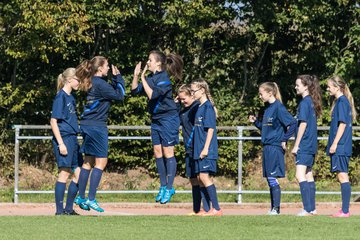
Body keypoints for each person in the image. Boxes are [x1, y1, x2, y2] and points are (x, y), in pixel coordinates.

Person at [74, 56, 126, 212]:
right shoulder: (101, 84)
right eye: (107, 66)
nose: (109, 68)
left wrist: (114, 80)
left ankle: (81, 196)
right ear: (100, 68)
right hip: (97, 126)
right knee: (101, 162)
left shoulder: (93, 82)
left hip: (86, 124)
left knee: (88, 162)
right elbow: (120, 95)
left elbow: (112, 92)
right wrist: (118, 78)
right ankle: (91, 199)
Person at [131, 50, 183, 204]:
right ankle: (162, 186)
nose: (148, 62)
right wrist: (136, 75)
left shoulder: (164, 79)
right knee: (157, 151)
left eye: (150, 60)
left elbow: (152, 95)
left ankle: (169, 187)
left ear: (158, 63)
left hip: (169, 118)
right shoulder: (151, 78)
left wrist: (142, 78)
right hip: (156, 119)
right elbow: (134, 91)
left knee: (168, 152)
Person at [249, 82, 296, 215]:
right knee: (270, 177)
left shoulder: (278, 108)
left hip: (274, 147)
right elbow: (267, 129)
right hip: (267, 147)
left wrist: (284, 139)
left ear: (270, 93)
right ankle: (273, 209)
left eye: (261, 93)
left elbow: (292, 123)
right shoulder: (268, 109)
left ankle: (276, 209)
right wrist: (256, 123)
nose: (260, 96)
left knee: (272, 177)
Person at [50, 68, 84, 215]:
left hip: (73, 138)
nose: (79, 82)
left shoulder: (71, 97)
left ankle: (69, 209)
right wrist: (61, 143)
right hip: (64, 138)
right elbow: (53, 121)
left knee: (80, 174)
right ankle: (59, 211)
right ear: (69, 79)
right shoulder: (61, 97)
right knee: (64, 173)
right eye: (77, 79)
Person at [190, 79, 222, 216]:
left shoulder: (208, 107)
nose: (192, 93)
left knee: (204, 177)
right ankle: (207, 209)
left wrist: (206, 148)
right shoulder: (199, 107)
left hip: (206, 149)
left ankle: (217, 209)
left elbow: (210, 130)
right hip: (198, 148)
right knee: (199, 178)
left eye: (193, 91)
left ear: (202, 90)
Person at [177, 84, 211, 215]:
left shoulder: (197, 108)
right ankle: (196, 209)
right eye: (180, 99)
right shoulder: (182, 110)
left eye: (184, 98)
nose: (182, 101)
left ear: (192, 95)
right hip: (188, 148)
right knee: (192, 179)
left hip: (197, 147)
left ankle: (208, 208)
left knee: (202, 177)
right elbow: (175, 120)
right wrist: (175, 104)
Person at [326, 76, 357, 218]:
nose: (327, 89)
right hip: (341, 145)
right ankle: (344, 210)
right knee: (341, 175)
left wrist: (334, 143)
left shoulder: (342, 102)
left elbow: (343, 124)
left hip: (341, 146)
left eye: (329, 86)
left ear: (337, 87)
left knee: (343, 176)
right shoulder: (340, 102)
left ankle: (345, 211)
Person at [291, 75, 322, 216]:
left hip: (304, 144)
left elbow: (303, 124)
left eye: (298, 85)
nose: (296, 87)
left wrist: (296, 145)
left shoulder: (304, 103)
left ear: (306, 86)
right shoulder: (311, 102)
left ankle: (307, 209)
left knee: (299, 175)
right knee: (309, 174)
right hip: (311, 144)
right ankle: (312, 208)